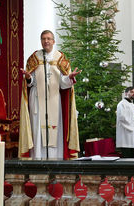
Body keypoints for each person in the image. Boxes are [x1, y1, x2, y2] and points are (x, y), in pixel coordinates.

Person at [19, 30, 81, 159]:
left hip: (54, 99)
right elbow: (30, 83)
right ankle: (37, 158)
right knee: (37, 130)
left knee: (55, 130)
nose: (46, 41)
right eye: (43, 38)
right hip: (37, 99)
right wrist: (28, 77)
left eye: (48, 38)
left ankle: (56, 158)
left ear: (53, 41)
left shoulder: (61, 58)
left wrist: (69, 77)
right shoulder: (34, 58)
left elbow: (63, 84)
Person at [116, 87, 134, 158]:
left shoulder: (132, 105)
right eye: (132, 92)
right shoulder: (121, 104)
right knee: (128, 158)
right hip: (126, 136)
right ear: (126, 93)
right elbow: (122, 117)